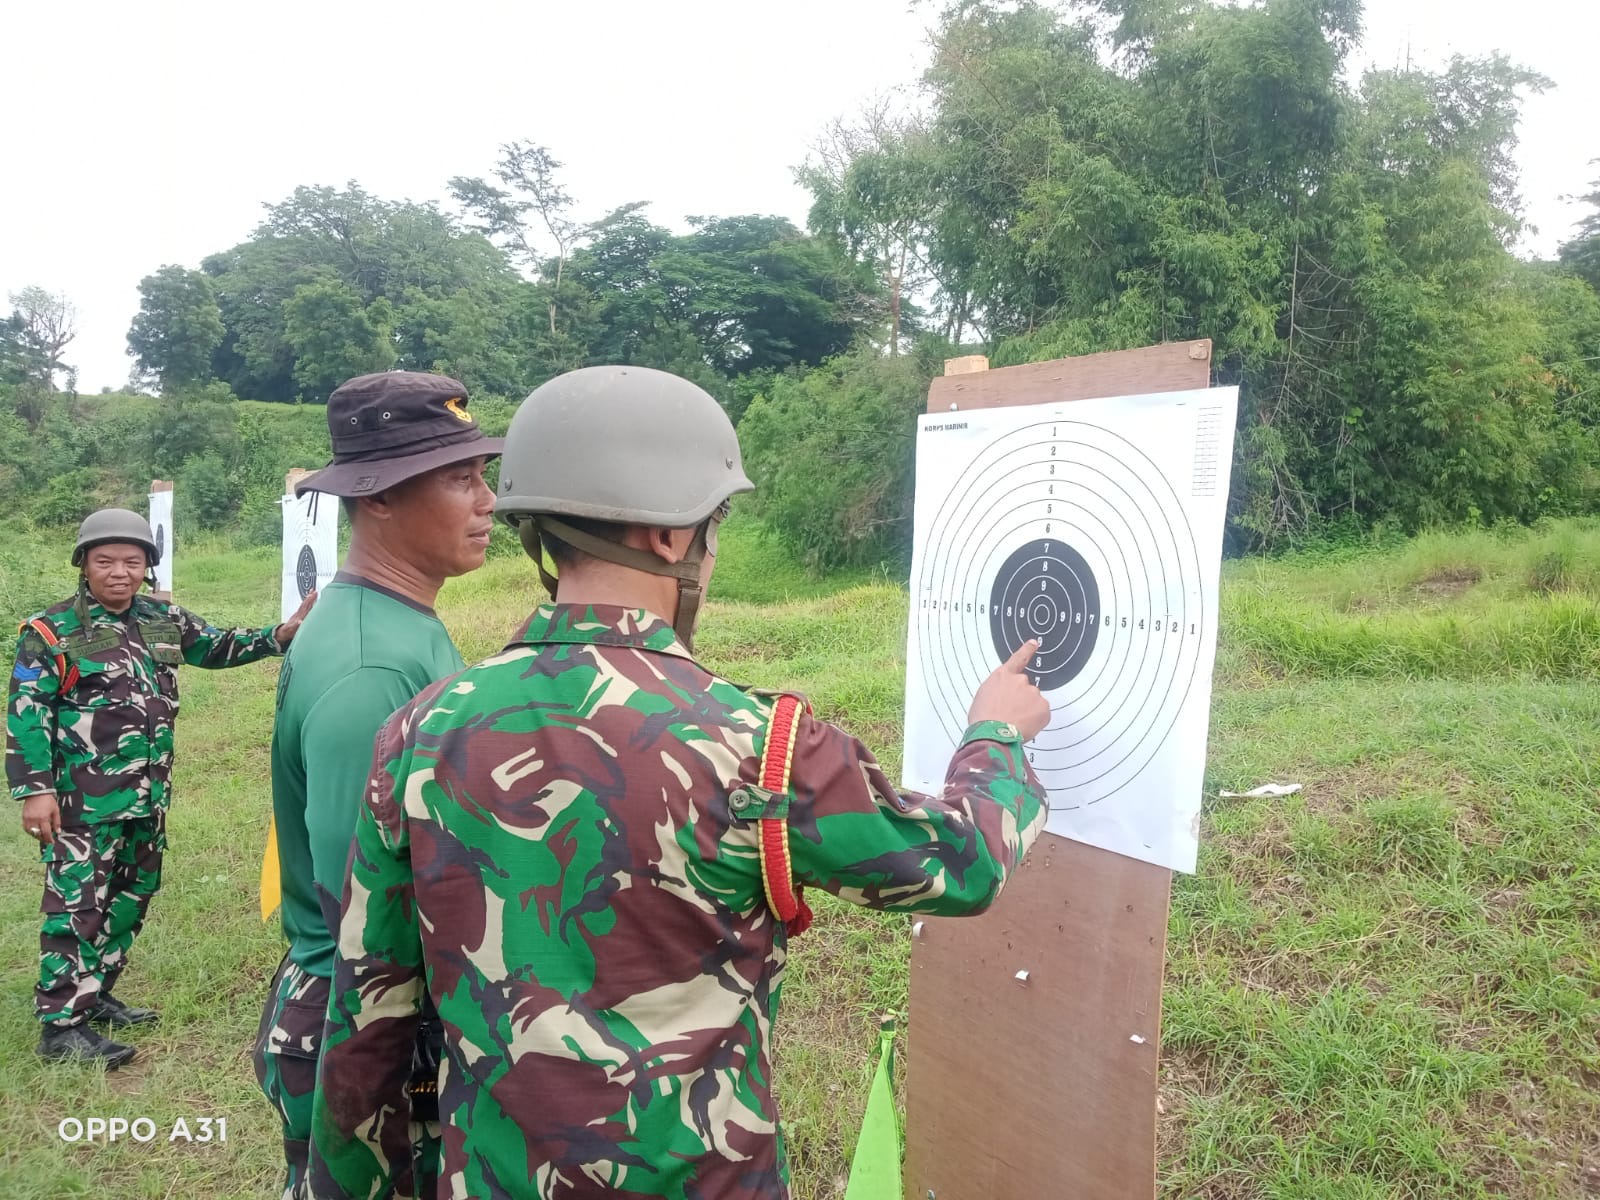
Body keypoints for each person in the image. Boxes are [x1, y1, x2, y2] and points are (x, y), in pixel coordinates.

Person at [308, 365, 1051, 1199]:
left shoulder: (419, 730)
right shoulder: (764, 746)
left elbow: (367, 1022)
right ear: (670, 537)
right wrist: (996, 736)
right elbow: (962, 866)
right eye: (714, 521)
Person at [255, 371, 501, 1200]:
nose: (488, 502)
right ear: (380, 497)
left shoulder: (394, 621)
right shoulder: (372, 667)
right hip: (364, 1030)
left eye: (483, 475)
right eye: (461, 479)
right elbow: (362, 909)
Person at [7, 507, 312, 1068]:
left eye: (132, 561)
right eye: (105, 561)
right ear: (84, 565)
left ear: (146, 566)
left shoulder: (161, 618)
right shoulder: (50, 632)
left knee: (131, 895)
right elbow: (28, 714)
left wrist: (280, 635)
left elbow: (216, 646)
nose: (119, 572)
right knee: (77, 906)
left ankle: (94, 993)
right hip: (82, 802)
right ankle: (61, 1026)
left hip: (146, 797)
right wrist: (35, 791)